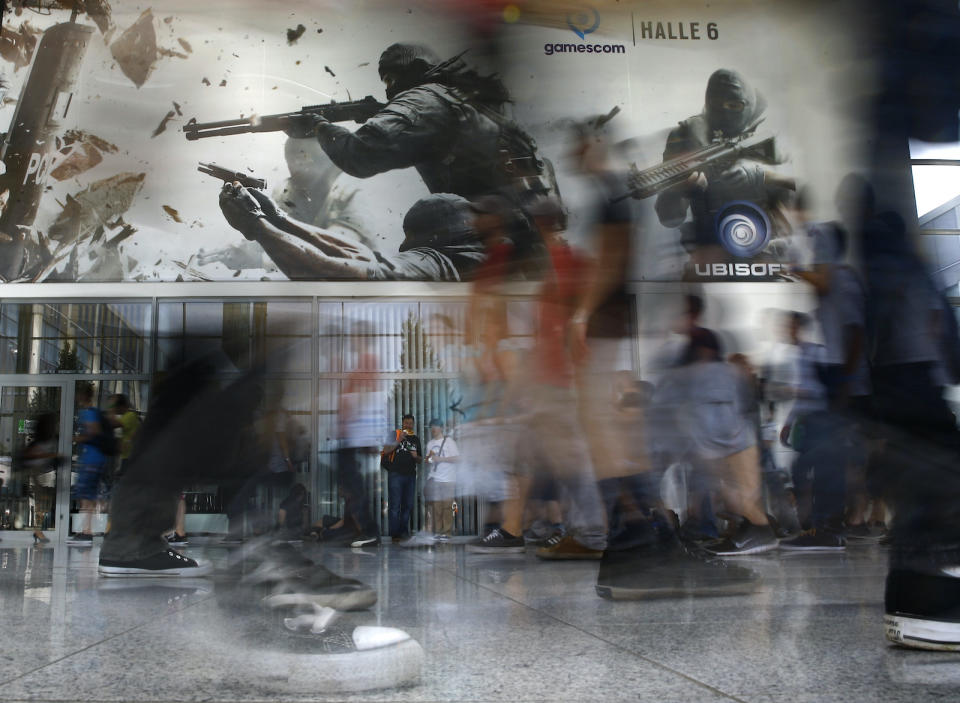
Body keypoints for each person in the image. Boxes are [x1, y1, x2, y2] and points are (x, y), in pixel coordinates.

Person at [218, 43, 551, 282]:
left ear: (410, 74)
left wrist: (320, 126)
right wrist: (273, 217)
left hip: (477, 243)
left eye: (391, 80)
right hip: (520, 238)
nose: (390, 91)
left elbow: (360, 156)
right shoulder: (471, 105)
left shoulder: (424, 99)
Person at [653, 68, 793, 266]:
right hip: (711, 249)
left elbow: (798, 186)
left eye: (734, 105)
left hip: (765, 246)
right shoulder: (688, 136)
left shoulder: (766, 133)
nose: (725, 111)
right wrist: (681, 190)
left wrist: (759, 173)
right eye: (716, 104)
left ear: (748, 105)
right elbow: (668, 217)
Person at [68, 385, 108, 546]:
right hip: (93, 459)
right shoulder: (94, 412)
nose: (77, 399)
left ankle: (86, 532)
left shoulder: (89, 413)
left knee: (86, 496)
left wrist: (77, 439)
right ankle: (86, 531)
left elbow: (94, 432)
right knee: (87, 496)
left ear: (83, 397)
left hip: (91, 460)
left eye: (79, 396)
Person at [382, 414, 422, 542]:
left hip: (410, 475)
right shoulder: (394, 434)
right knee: (394, 506)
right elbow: (386, 450)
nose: (408, 425)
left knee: (408, 505)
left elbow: (420, 460)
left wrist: (416, 456)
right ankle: (395, 535)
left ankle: (404, 532)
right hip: (395, 475)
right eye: (406, 423)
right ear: (402, 423)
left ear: (413, 424)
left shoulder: (415, 439)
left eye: (410, 423)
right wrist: (399, 440)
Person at [422, 418, 459, 542]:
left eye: (436, 426)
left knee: (447, 507)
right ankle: (438, 532)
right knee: (436, 507)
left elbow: (457, 458)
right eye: (431, 426)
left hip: (448, 479)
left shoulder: (449, 442)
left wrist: (440, 459)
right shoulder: (430, 444)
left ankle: (446, 533)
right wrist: (429, 459)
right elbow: (428, 461)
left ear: (441, 428)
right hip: (435, 479)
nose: (433, 429)